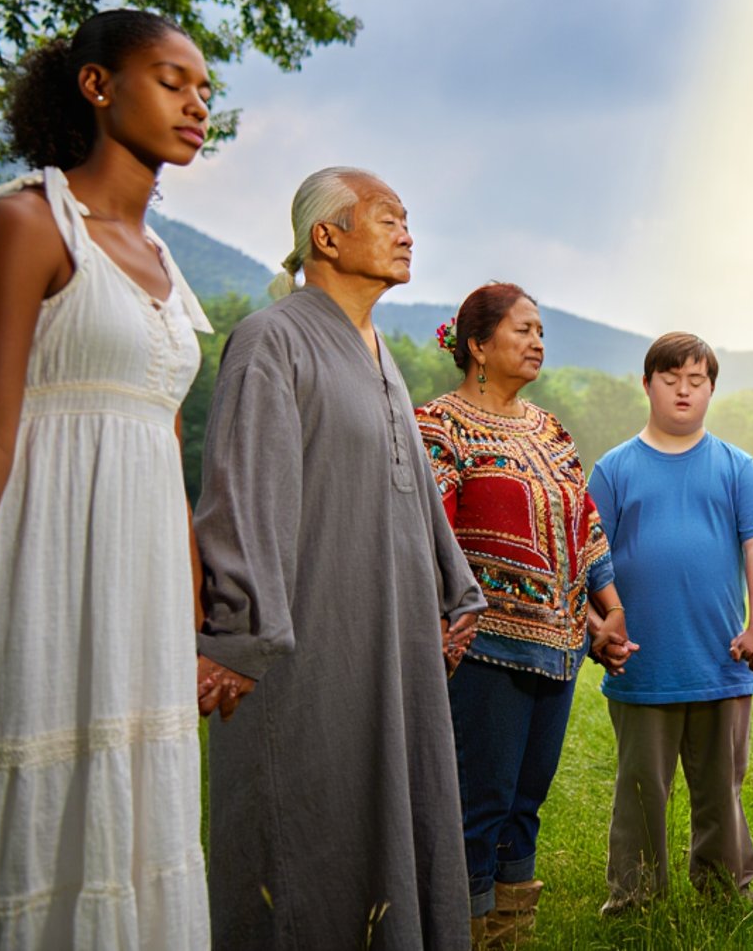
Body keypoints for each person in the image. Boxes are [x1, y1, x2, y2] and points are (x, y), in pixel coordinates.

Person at [0, 9, 213, 948]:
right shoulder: (26, 223)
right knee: (9, 819)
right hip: (33, 567)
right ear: (96, 86)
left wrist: (188, 623)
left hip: (135, 597)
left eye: (205, 91)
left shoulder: (165, 264)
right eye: (172, 81)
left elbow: (164, 443)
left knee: (119, 824)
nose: (197, 106)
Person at [196, 166, 486, 948]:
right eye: (389, 219)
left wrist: (454, 590)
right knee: (305, 826)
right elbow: (243, 491)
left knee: (394, 807)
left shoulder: (379, 352)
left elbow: (413, 485)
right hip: (307, 640)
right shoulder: (272, 339)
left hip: (392, 636)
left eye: (407, 221)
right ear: (327, 236)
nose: (407, 235)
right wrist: (242, 634)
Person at [416, 282, 632, 944]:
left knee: (524, 806)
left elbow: (585, 525)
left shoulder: (550, 430)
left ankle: (510, 933)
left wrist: (610, 613)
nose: (538, 342)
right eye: (523, 329)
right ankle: (461, 931)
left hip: (561, 649)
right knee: (477, 807)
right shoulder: (440, 427)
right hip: (483, 652)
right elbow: (430, 538)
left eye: (541, 331)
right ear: (479, 345)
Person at [585, 333, 753, 912]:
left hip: (720, 658)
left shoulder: (737, 467)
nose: (684, 391)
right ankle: (635, 895)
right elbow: (587, 559)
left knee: (721, 787)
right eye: (671, 380)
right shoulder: (614, 470)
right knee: (641, 788)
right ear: (647, 385)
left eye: (697, 381)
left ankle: (725, 888)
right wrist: (597, 629)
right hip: (644, 663)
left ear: (712, 389)